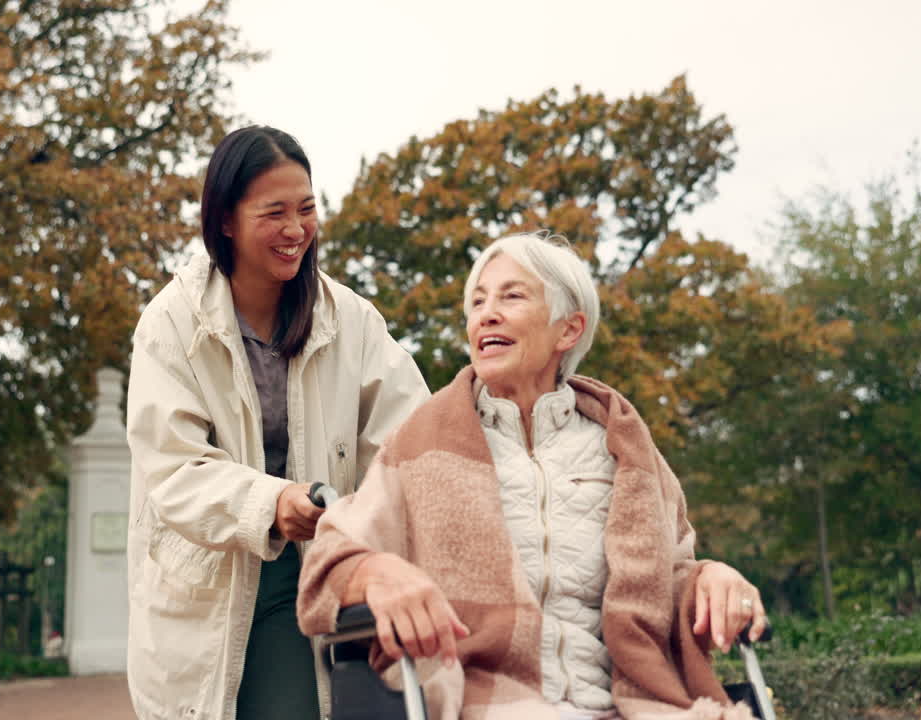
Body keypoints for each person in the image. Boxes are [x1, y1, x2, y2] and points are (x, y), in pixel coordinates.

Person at [298, 231, 769, 720]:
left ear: (568, 330)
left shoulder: (624, 446)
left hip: (634, 702)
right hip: (485, 701)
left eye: (512, 296)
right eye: (477, 301)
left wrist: (710, 577)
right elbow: (327, 560)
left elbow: (665, 581)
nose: (486, 313)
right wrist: (376, 572)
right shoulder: (423, 442)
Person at [125, 125, 430, 720]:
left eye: (307, 208)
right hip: (207, 581)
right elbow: (174, 468)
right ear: (226, 221)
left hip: (312, 580)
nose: (296, 230)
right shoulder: (171, 322)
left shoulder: (352, 320)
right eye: (275, 213)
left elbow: (411, 441)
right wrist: (273, 503)